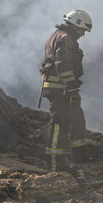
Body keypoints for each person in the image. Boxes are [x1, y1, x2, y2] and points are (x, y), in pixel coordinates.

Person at [40, 9, 92, 171]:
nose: (83, 34)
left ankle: (80, 158)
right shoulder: (64, 38)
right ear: (76, 25)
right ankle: (55, 163)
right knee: (59, 123)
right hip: (60, 89)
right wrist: (72, 89)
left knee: (76, 118)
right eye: (83, 29)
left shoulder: (58, 36)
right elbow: (62, 66)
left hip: (60, 87)